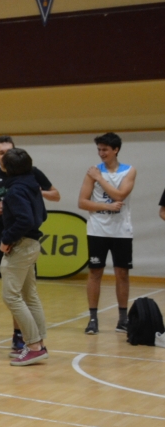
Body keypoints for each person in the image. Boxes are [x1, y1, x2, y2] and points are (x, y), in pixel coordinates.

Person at [0, 136, 60, 351]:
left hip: (18, 237)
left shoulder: (28, 178)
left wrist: (34, 194)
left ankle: (24, 338)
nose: (5, 156)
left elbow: (53, 197)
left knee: (16, 294)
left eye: (9, 152)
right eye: (1, 153)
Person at [78, 132, 137, 334]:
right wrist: (105, 206)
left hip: (121, 230)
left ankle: (123, 319)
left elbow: (120, 195)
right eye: (99, 149)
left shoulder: (129, 171)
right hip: (98, 230)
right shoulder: (93, 172)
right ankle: (93, 319)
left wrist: (99, 179)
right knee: (95, 272)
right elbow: (82, 202)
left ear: (116, 150)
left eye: (105, 149)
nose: (101, 153)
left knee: (122, 273)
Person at [0, 148, 49, 366]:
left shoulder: (15, 191)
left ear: (8, 168)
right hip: (33, 244)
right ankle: (39, 343)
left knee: (10, 296)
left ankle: (34, 346)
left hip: (20, 246)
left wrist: (7, 239)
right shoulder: (32, 185)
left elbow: (25, 220)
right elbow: (42, 215)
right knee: (30, 295)